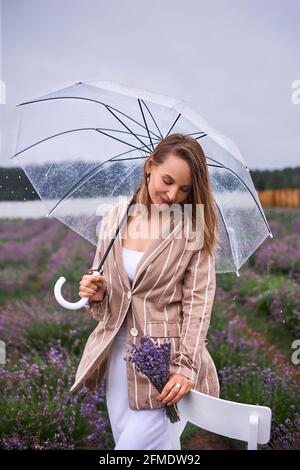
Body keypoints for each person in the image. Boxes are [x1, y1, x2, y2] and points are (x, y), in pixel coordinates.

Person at [72, 132, 220, 450]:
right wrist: (95, 295)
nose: (173, 194)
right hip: (117, 357)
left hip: (163, 367)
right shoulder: (114, 217)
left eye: (184, 189)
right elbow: (104, 303)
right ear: (150, 166)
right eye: (167, 180)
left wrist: (185, 367)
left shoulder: (191, 228)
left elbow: (199, 304)